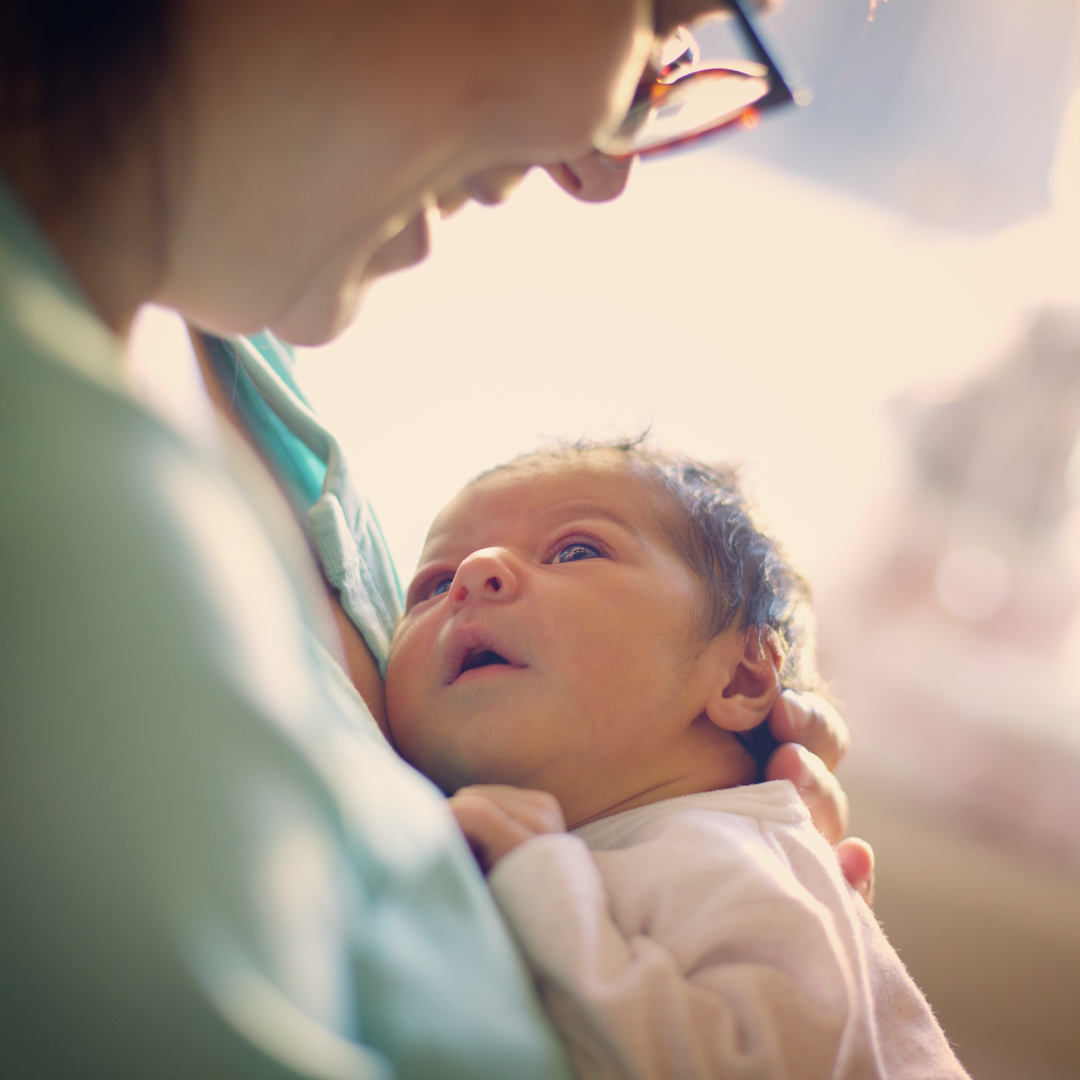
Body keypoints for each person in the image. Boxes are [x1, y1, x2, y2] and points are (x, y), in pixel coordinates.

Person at [0, 1, 868, 1076]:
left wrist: (697, 859)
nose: (604, 169)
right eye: (657, 19)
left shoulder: (246, 363)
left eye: (580, 552)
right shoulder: (48, 489)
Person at [385, 442, 969, 1080]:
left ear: (741, 677)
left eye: (575, 550)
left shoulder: (724, 849)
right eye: (434, 585)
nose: (474, 572)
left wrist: (535, 877)